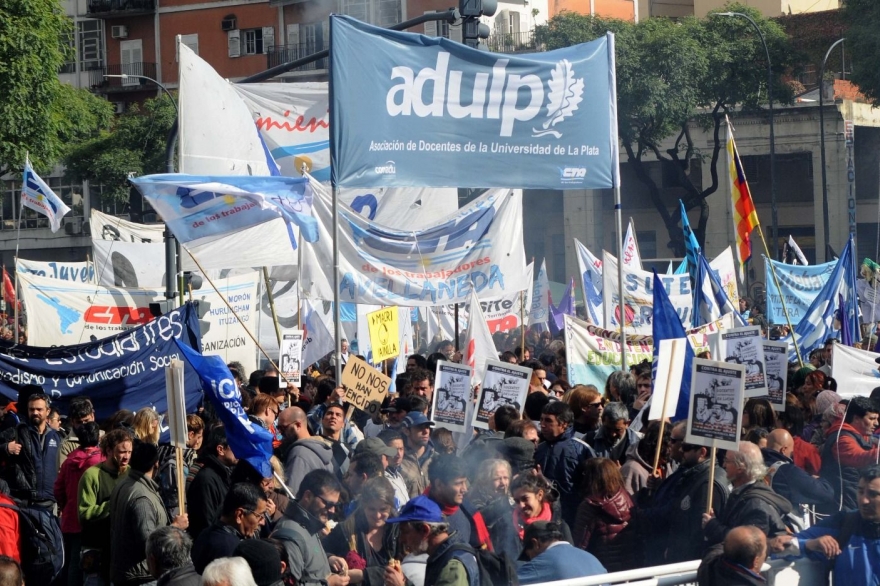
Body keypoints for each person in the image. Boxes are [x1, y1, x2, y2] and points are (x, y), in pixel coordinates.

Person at [635, 422, 729, 565]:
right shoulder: (690, 472)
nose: (679, 449)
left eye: (685, 447)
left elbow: (694, 529)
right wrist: (660, 487)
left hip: (685, 565)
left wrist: (674, 551)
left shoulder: (708, 484)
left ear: (702, 452)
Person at [769, 465, 880, 584]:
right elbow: (778, 548)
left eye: (873, 494)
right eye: (860, 491)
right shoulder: (844, 523)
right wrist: (809, 544)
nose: (864, 500)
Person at [109, 441, 189, 586]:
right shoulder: (142, 498)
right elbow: (148, 542)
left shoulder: (125, 484)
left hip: (127, 572)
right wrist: (176, 527)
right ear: (156, 464)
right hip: (140, 577)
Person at [702, 442, 791, 547]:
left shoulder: (756, 506)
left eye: (727, 461)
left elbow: (746, 545)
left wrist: (712, 526)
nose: (724, 465)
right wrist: (716, 520)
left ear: (740, 468)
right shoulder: (741, 492)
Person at [272, 469, 350, 586]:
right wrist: (327, 584)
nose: (332, 510)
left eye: (335, 505)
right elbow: (289, 583)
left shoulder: (311, 526)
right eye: (328, 504)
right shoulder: (289, 537)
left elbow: (309, 562)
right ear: (308, 496)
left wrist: (329, 560)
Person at [384, 495, 479, 586]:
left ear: (425, 530)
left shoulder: (452, 567)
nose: (401, 539)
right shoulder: (442, 557)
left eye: (405, 532)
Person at [324, 477, 402, 586]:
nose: (377, 515)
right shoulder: (346, 530)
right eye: (372, 509)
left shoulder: (399, 533)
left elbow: (406, 571)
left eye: (383, 509)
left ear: (391, 507)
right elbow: (317, 551)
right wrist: (330, 558)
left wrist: (363, 575)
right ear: (364, 506)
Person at [78, 428, 132, 585]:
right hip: (97, 552)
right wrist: (113, 504)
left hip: (121, 553)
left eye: (129, 452)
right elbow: (84, 514)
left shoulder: (131, 474)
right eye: (122, 452)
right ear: (108, 450)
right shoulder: (92, 475)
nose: (126, 456)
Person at [55, 421, 104, 586]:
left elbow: (58, 488)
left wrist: (65, 505)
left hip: (70, 519)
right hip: (92, 521)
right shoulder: (102, 460)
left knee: (72, 563)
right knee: (93, 565)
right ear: (97, 437)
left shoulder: (70, 460)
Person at [534, 401, 595, 526]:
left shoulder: (582, 450)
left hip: (572, 517)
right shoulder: (539, 449)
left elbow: (593, 486)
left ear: (564, 424)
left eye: (548, 421)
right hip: (544, 515)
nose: (543, 425)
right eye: (541, 420)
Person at [573, 457, 636, 572]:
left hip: (601, 568)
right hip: (630, 566)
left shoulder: (590, 506)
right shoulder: (626, 497)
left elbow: (580, 545)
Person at [191, 483, 268, 573]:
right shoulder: (232, 550)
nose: (263, 522)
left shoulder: (206, 533)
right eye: (259, 516)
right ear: (239, 515)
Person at [819, 396, 879, 512]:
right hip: (842, 507)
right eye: (872, 419)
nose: (876, 423)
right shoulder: (842, 439)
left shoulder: (862, 436)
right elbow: (857, 457)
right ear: (856, 418)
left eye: (877, 419)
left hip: (854, 501)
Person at [425, 455, 491, 550]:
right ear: (439, 484)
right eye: (458, 483)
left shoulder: (468, 512)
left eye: (465, 482)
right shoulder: (419, 515)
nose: (465, 489)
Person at [762, 429, 834, 512]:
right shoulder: (787, 471)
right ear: (783, 450)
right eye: (791, 453)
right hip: (780, 522)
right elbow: (825, 493)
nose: (792, 457)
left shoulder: (755, 465)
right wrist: (818, 479)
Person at [517, 521, 607, 585]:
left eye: (529, 556)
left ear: (535, 543)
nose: (531, 560)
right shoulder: (592, 559)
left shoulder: (539, 564)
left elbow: (510, 582)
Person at [464, 459, 519, 561]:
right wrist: (506, 502)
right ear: (485, 481)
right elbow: (483, 517)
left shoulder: (512, 499)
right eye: (497, 479)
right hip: (490, 558)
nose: (503, 483)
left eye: (506, 478)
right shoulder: (475, 499)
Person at [187, 426, 237, 539]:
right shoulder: (206, 479)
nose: (239, 449)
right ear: (221, 449)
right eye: (234, 445)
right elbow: (206, 522)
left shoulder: (226, 474)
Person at [276, 407, 333, 496]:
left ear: (298, 425)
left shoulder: (299, 453)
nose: (280, 433)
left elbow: (290, 493)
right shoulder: (323, 452)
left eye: (283, 428)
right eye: (278, 428)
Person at [510, 473, 573, 545]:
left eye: (525, 499)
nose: (521, 505)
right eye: (517, 501)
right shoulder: (509, 528)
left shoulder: (560, 527)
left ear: (539, 495)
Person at [698, 525, 768, 586]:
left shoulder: (709, 565)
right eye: (765, 551)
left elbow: (715, 550)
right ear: (756, 561)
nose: (765, 555)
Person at [399, 412, 436, 498]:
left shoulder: (437, 459)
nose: (426, 431)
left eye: (427, 427)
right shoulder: (398, 460)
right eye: (420, 427)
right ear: (406, 431)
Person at [58, 396, 98, 468]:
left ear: (92, 416)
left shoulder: (105, 438)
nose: (84, 425)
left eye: (86, 421)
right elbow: (63, 474)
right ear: (72, 421)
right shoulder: (66, 446)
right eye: (79, 422)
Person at [375, 429, 409, 509]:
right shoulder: (378, 478)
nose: (399, 454)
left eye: (401, 449)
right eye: (393, 450)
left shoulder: (398, 475)